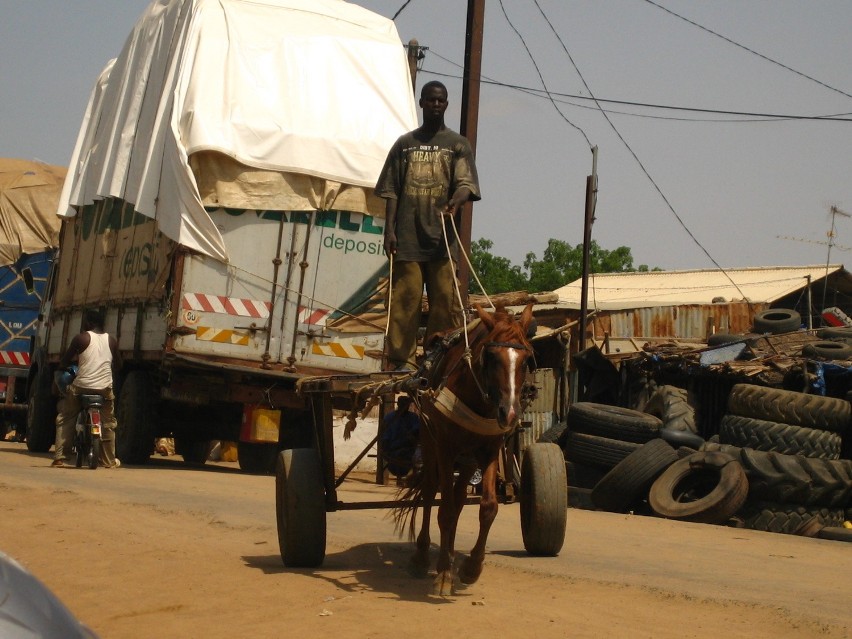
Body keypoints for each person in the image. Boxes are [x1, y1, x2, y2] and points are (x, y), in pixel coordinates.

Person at [375, 80, 481, 370]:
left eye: (441, 100)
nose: (436, 105)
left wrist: (455, 202)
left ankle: (437, 359)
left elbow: (465, 184)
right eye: (431, 100)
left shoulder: (457, 144)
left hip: (442, 242)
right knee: (404, 305)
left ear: (447, 104)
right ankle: (401, 362)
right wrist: (389, 230)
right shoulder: (405, 145)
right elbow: (392, 190)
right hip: (407, 240)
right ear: (421, 103)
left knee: (445, 305)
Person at [51, 309, 122, 468]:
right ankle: (109, 461)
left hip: (81, 388)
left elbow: (64, 361)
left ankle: (60, 458)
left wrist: (65, 368)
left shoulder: (80, 339)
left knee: (66, 418)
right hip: (104, 389)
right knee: (109, 423)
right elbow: (118, 365)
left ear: (88, 323)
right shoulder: (111, 341)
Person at [380, 395, 421, 478]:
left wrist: (411, 437)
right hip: (392, 450)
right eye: (402, 405)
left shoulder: (413, 417)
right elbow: (385, 436)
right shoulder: (390, 417)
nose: (404, 407)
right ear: (398, 404)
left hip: (408, 450)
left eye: (406, 405)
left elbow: (417, 432)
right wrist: (385, 449)